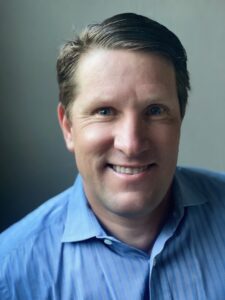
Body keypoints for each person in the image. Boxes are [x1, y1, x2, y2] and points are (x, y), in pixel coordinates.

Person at [0, 12, 224, 300]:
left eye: (155, 111)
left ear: (180, 118)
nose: (131, 144)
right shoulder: (9, 276)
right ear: (68, 127)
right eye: (104, 111)